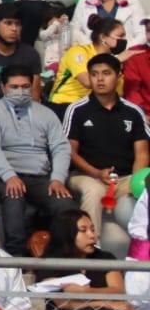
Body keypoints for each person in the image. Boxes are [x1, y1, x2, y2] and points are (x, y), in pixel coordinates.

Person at [0, 64, 72, 256]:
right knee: (14, 196)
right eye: (14, 87)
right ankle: (17, 259)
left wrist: (58, 178)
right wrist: (9, 176)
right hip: (3, 176)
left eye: (25, 86)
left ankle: (68, 258)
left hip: (40, 176)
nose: (20, 91)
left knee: (65, 205)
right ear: (3, 88)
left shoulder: (45, 113)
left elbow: (61, 147)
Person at [61, 52, 149, 232]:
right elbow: (70, 151)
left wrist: (135, 184)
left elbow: (142, 153)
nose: (100, 79)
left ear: (119, 77)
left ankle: (143, 247)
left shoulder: (133, 112)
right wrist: (96, 173)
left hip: (125, 178)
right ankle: (92, 248)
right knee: (94, 192)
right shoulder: (76, 109)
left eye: (106, 73)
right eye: (94, 74)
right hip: (86, 175)